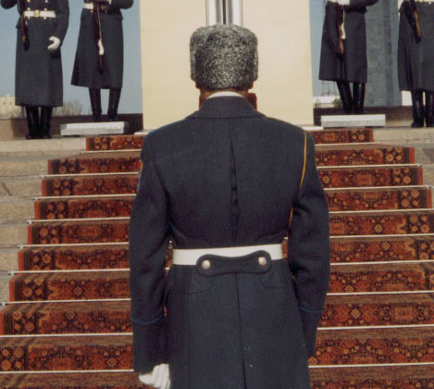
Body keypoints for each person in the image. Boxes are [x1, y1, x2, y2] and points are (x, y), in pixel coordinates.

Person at [129, 24, 330, 389]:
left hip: (194, 311)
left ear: (196, 79)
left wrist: (150, 347)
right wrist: (303, 327)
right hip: (274, 308)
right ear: (251, 76)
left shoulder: (161, 145)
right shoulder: (295, 142)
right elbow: (313, 253)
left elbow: (146, 259)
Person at [0, 0, 69, 139]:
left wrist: (59, 36)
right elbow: (5, 3)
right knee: (28, 84)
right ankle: (33, 129)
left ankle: (45, 129)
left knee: (48, 83)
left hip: (48, 33)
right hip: (27, 34)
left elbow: (63, 13)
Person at [65, 0, 133, 121]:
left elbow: (128, 0)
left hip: (110, 22)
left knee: (114, 66)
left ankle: (112, 115)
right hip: (89, 21)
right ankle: (96, 114)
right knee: (91, 67)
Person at [313, 0, 379, 114]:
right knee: (336, 62)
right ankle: (347, 106)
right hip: (334, 17)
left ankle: (358, 107)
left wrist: (352, 0)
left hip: (354, 19)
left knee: (356, 62)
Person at [384, 0, 434, 127]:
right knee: (413, 66)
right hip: (411, 19)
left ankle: (431, 116)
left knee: (431, 66)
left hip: (432, 17)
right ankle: (417, 115)